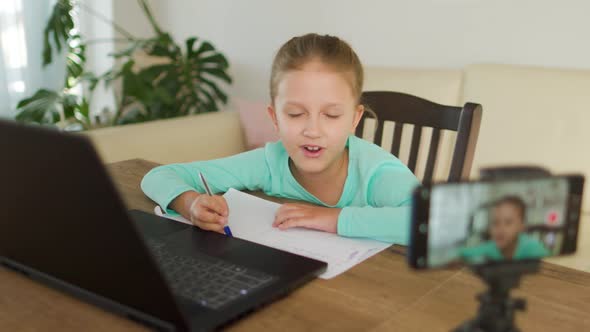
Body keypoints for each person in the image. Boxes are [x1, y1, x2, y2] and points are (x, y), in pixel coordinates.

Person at [141, 33, 419, 244]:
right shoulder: (269, 162)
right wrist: (190, 204)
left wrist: (334, 219)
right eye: (296, 113)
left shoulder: (374, 171)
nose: (313, 129)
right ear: (274, 117)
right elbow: (159, 176)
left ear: (354, 119)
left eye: (331, 115)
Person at [458, 196, 550, 263]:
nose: (501, 229)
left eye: (508, 222)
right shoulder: (490, 247)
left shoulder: (533, 248)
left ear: (522, 226)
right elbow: (463, 253)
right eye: (495, 223)